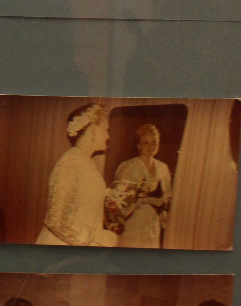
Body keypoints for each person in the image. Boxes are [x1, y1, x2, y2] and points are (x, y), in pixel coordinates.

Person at [36, 102, 118, 246]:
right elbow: (55, 221)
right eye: (105, 130)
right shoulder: (70, 162)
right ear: (93, 129)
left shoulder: (86, 162)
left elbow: (82, 202)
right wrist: (97, 236)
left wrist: (109, 198)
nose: (107, 136)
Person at [112, 123, 172, 248]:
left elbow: (166, 197)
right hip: (133, 225)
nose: (151, 146)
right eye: (146, 143)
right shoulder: (128, 167)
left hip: (153, 227)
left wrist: (163, 209)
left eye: (154, 142)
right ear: (138, 145)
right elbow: (118, 199)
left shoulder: (163, 168)